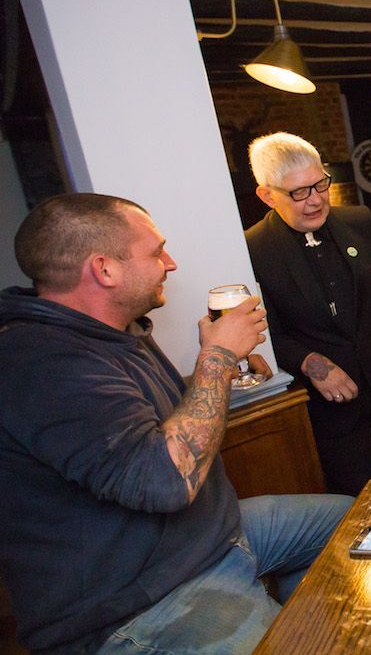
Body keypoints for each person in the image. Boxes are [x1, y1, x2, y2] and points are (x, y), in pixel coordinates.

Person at [0, 193, 352, 654]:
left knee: (354, 521)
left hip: (210, 538)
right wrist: (217, 358)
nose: (170, 263)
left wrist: (217, 372)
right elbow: (165, 482)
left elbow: (133, 418)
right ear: (104, 269)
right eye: (156, 252)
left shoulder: (113, 331)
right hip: (142, 600)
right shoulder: (42, 363)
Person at [245, 132, 371, 496]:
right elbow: (269, 332)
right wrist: (312, 363)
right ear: (267, 195)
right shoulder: (254, 249)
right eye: (299, 192)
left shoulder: (360, 220)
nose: (315, 200)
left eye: (320, 185)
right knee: (361, 499)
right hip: (332, 405)